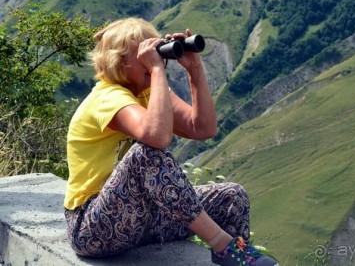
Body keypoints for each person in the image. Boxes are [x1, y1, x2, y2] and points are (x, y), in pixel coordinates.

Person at [64, 17, 279, 265]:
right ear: (121, 60)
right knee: (146, 154)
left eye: (157, 51)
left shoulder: (148, 92)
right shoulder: (107, 97)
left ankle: (240, 259)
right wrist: (156, 70)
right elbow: (157, 138)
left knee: (231, 197)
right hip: (93, 228)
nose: (156, 57)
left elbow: (202, 128)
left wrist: (194, 70)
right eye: (146, 53)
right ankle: (223, 246)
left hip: (141, 220)